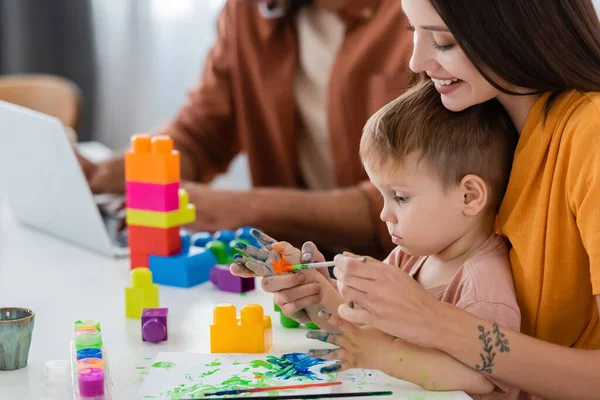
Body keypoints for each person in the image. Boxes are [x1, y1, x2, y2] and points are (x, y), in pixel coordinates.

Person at [329, 1, 600, 399]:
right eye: (413, 32)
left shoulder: (590, 137)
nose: (417, 62)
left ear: (516, 31)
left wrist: (431, 320)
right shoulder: (480, 124)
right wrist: (326, 298)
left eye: (444, 41)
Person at [233, 79, 522, 397]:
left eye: (400, 197)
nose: (385, 214)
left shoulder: (484, 286)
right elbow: (361, 332)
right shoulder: (409, 256)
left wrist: (382, 355)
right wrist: (315, 289)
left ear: (469, 196)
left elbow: (482, 377)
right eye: (382, 195)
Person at [78, 0, 414, 259]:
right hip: (292, 269)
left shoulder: (420, 19)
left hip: (398, 272)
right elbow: (201, 134)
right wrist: (109, 172)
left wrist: (241, 208)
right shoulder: (247, 12)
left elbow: (411, 199)